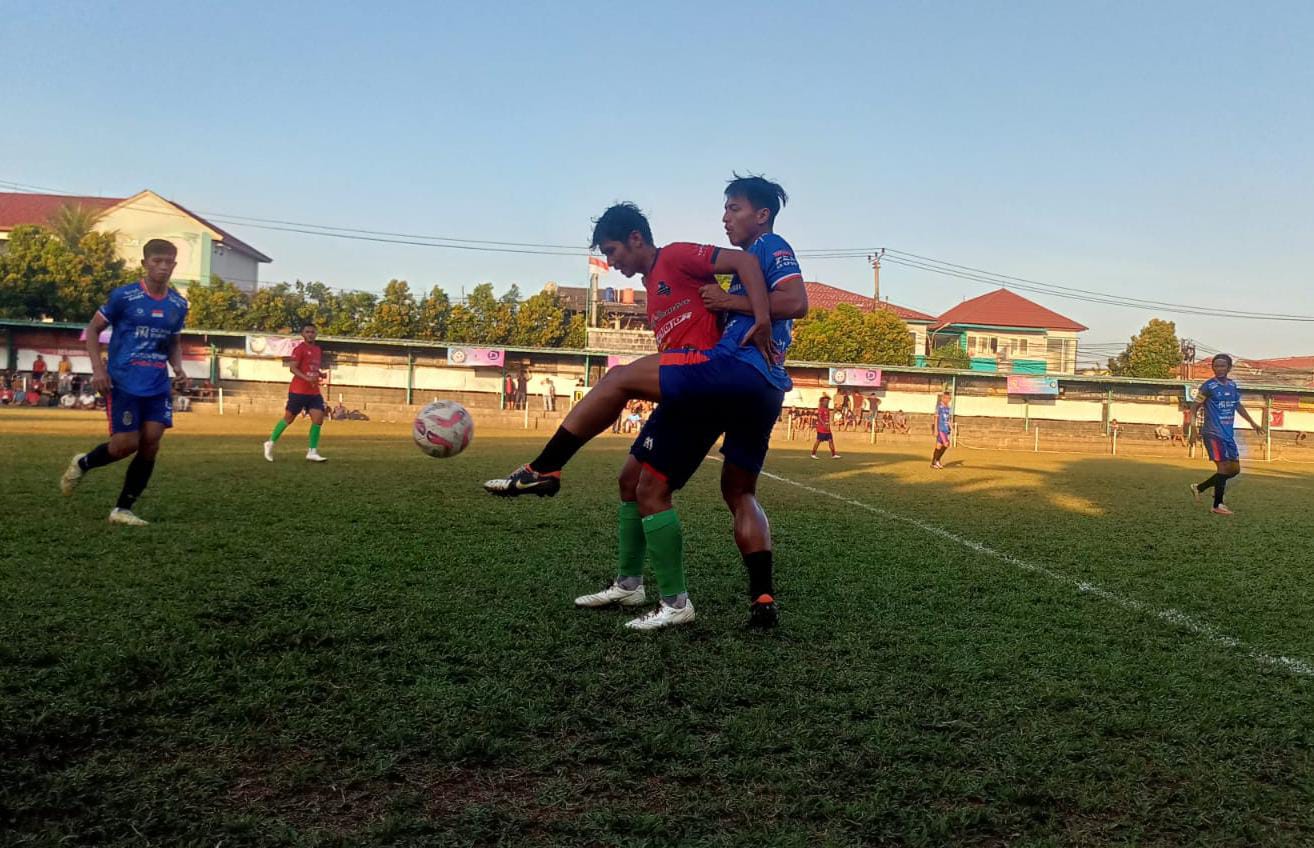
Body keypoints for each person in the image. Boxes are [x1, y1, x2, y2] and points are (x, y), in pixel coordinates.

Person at [487, 199, 781, 630]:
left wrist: (759, 317)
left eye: (614, 251)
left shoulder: (677, 255)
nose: (612, 261)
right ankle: (628, 584)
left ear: (636, 238)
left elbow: (743, 263)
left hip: (703, 381)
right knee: (629, 479)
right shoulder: (652, 289)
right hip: (682, 389)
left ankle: (546, 468)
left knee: (628, 413)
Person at [574, 179, 807, 629]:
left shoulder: (769, 245)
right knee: (738, 492)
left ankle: (669, 600)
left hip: (733, 377)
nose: (725, 217)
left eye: (734, 208)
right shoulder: (745, 262)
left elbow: (796, 301)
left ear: (761, 214)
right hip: (763, 388)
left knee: (649, 480)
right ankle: (761, 598)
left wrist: (727, 299)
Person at [59, 239, 189, 525]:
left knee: (152, 443)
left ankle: (123, 509)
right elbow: (93, 330)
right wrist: (98, 370)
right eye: (157, 261)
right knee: (124, 445)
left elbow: (174, 342)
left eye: (169, 261)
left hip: (157, 383)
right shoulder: (124, 297)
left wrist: (177, 367)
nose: (163, 266)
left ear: (175, 265)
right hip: (123, 381)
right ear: (145, 264)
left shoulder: (178, 304)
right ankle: (84, 463)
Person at [1186, 353, 1263, 516]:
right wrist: (1192, 429)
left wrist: (1253, 423)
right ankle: (1217, 505)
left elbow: (1238, 405)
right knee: (1223, 467)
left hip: (1228, 434)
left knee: (1235, 470)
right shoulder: (1208, 386)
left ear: (1229, 368)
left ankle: (1199, 488)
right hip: (1213, 433)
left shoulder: (1232, 386)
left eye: (1222, 366)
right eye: (1216, 366)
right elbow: (1194, 408)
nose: (1219, 369)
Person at [263, 323, 329, 462]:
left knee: (318, 418)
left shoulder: (317, 349)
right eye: (307, 332)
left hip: (313, 392)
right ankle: (270, 443)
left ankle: (312, 451)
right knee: (288, 418)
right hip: (298, 391)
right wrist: (307, 378)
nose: (310, 334)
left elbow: (312, 366)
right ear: (303, 334)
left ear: (316, 334)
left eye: (312, 332)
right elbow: (292, 368)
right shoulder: (299, 349)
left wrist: (319, 373)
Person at [811, 394, 838, 459]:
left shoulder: (827, 409)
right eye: (826, 401)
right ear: (822, 402)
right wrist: (824, 425)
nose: (827, 402)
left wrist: (828, 425)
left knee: (831, 441)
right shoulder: (821, 409)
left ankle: (833, 455)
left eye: (828, 401)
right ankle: (813, 454)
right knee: (818, 441)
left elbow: (827, 418)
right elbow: (819, 417)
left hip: (827, 429)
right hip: (821, 429)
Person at [931, 392, 953, 469]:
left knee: (939, 446)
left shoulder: (948, 408)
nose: (948, 400)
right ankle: (937, 461)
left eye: (949, 398)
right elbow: (936, 418)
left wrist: (951, 427)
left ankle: (934, 463)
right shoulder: (939, 407)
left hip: (945, 429)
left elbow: (948, 419)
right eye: (947, 398)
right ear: (943, 398)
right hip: (940, 429)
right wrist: (936, 429)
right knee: (946, 444)